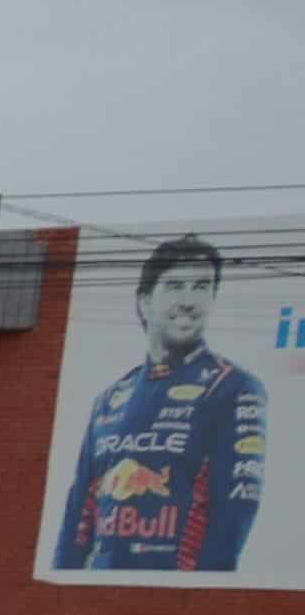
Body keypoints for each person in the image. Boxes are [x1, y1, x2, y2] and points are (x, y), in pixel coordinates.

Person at [55, 234, 266, 572]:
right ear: (144, 302)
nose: (188, 301)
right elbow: (78, 512)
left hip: (174, 592)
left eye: (201, 287)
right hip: (99, 591)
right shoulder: (109, 399)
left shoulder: (234, 387)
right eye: (175, 286)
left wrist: (191, 597)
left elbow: (234, 513)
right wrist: (62, 592)